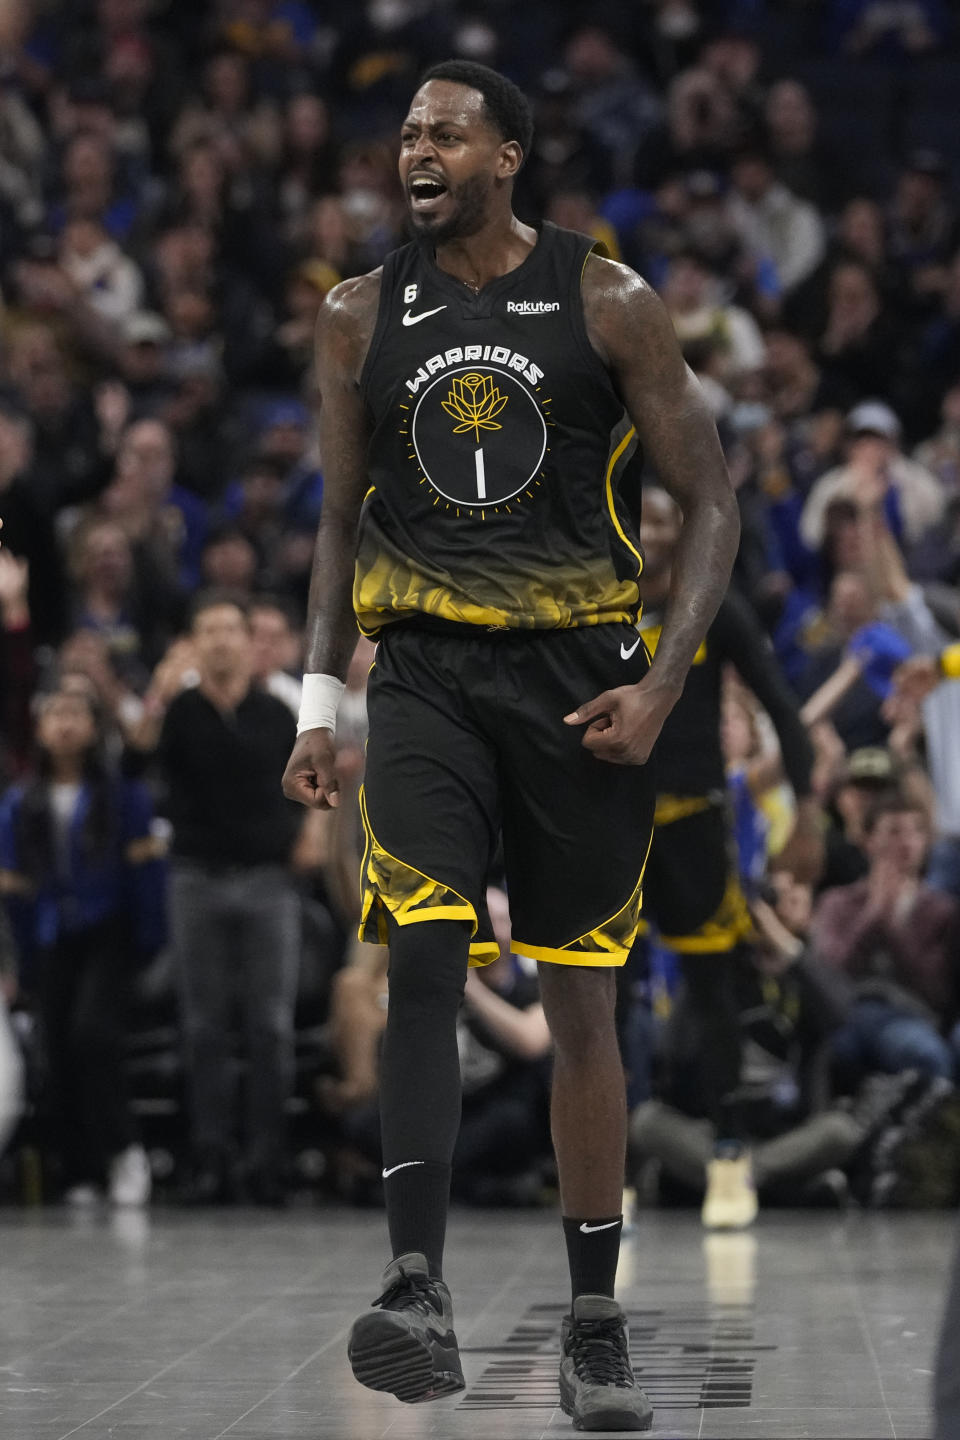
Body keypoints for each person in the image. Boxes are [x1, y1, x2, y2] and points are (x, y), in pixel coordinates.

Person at [282, 59, 739, 1431]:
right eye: (406, 133)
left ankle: (594, 1319)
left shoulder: (609, 301)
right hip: (420, 674)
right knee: (419, 942)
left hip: (578, 684)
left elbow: (711, 505)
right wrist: (317, 703)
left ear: (508, 157)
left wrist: (662, 686)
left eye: (444, 133)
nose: (414, 150)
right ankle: (415, 1283)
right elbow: (333, 522)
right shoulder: (357, 315)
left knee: (581, 997)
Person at [634, 486, 821, 1230]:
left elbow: (782, 706)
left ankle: (729, 1155)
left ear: (682, 531)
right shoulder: (590, 605)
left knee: (714, 994)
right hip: (610, 827)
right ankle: (608, 1168)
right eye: (637, 517)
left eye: (660, 519)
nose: (648, 532)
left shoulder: (711, 608)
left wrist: (807, 812)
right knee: (602, 1001)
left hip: (693, 819)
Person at [140, 593, 303, 1206]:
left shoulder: (274, 711)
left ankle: (268, 1161)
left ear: (248, 640)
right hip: (196, 876)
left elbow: (308, 787)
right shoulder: (177, 711)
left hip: (267, 878)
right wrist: (158, 686)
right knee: (203, 1026)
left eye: (231, 629)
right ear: (193, 641)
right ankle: (209, 1156)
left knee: (269, 1026)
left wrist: (307, 837)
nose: (220, 640)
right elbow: (135, 757)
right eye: (207, 630)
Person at [0, 688, 165, 1205]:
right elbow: (16, 886)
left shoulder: (123, 793)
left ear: (94, 726)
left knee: (93, 1035)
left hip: (109, 933)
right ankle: (80, 1168)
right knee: (56, 1046)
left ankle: (125, 1150)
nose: (65, 725)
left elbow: (145, 879)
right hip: (51, 936)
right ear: (40, 728)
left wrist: (146, 941)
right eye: (54, 714)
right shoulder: (20, 800)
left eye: (75, 714)